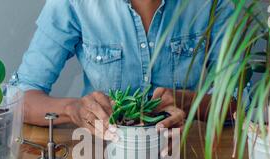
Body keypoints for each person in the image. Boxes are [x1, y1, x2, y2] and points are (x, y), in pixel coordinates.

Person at [18, 0, 235, 140]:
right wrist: (72, 109)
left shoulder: (214, 4)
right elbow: (21, 98)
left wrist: (188, 103)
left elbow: (237, 103)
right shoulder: (73, 4)